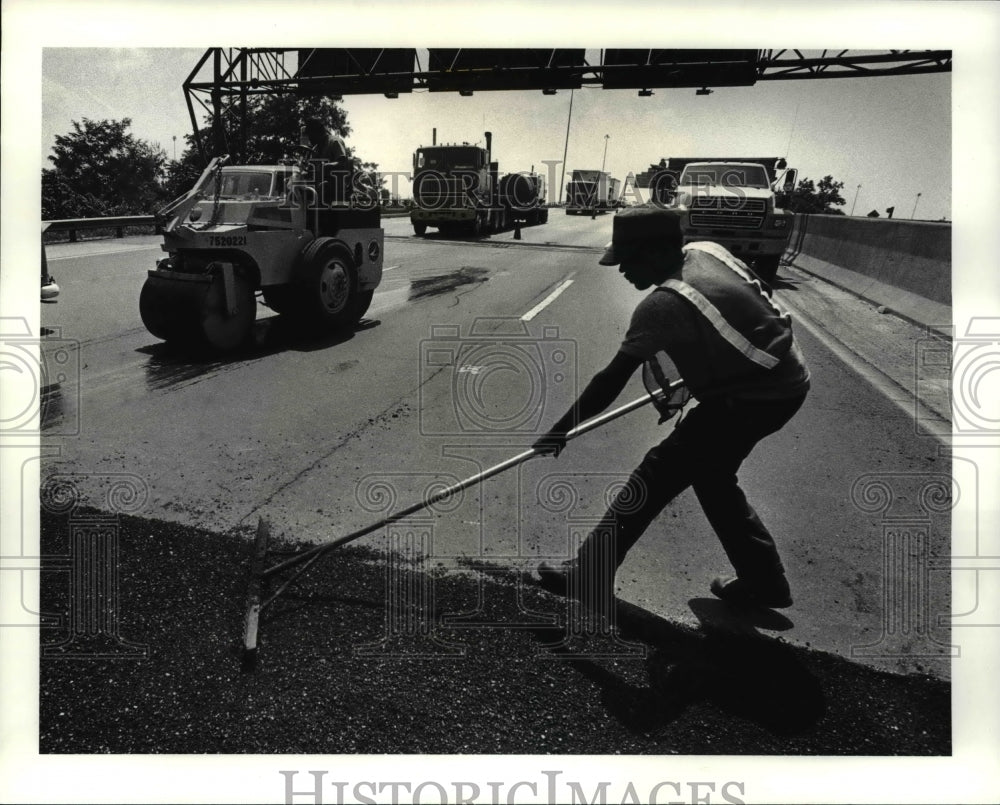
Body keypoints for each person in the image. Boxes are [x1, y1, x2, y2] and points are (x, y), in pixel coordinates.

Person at [533, 205, 810, 610]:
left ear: (655, 253)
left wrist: (561, 430)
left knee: (656, 474)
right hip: (785, 377)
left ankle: (590, 572)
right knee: (712, 478)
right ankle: (765, 582)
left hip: (755, 396)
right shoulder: (707, 251)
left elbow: (610, 379)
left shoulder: (664, 304)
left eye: (627, 261)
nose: (622, 271)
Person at [301, 117, 350, 204]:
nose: (309, 138)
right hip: (319, 194)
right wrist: (305, 173)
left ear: (318, 132)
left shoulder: (334, 142)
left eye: (311, 135)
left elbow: (343, 162)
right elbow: (310, 168)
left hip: (335, 194)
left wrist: (327, 166)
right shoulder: (315, 148)